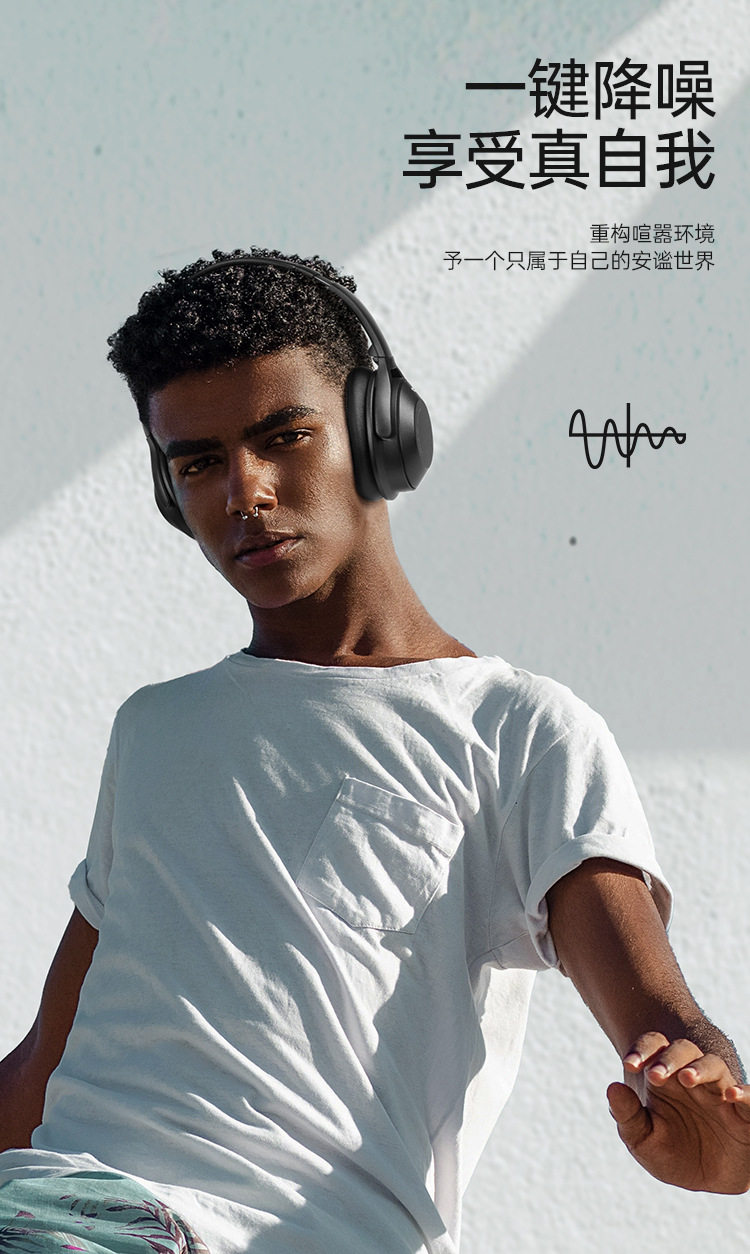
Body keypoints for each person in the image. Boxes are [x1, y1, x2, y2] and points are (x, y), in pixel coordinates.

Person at [0, 248, 748, 1254]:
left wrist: (720, 1135)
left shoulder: (516, 728)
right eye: (198, 463)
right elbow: (44, 1065)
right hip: (48, 1209)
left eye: (284, 437)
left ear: (380, 433)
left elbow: (663, 1023)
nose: (244, 491)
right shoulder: (153, 729)